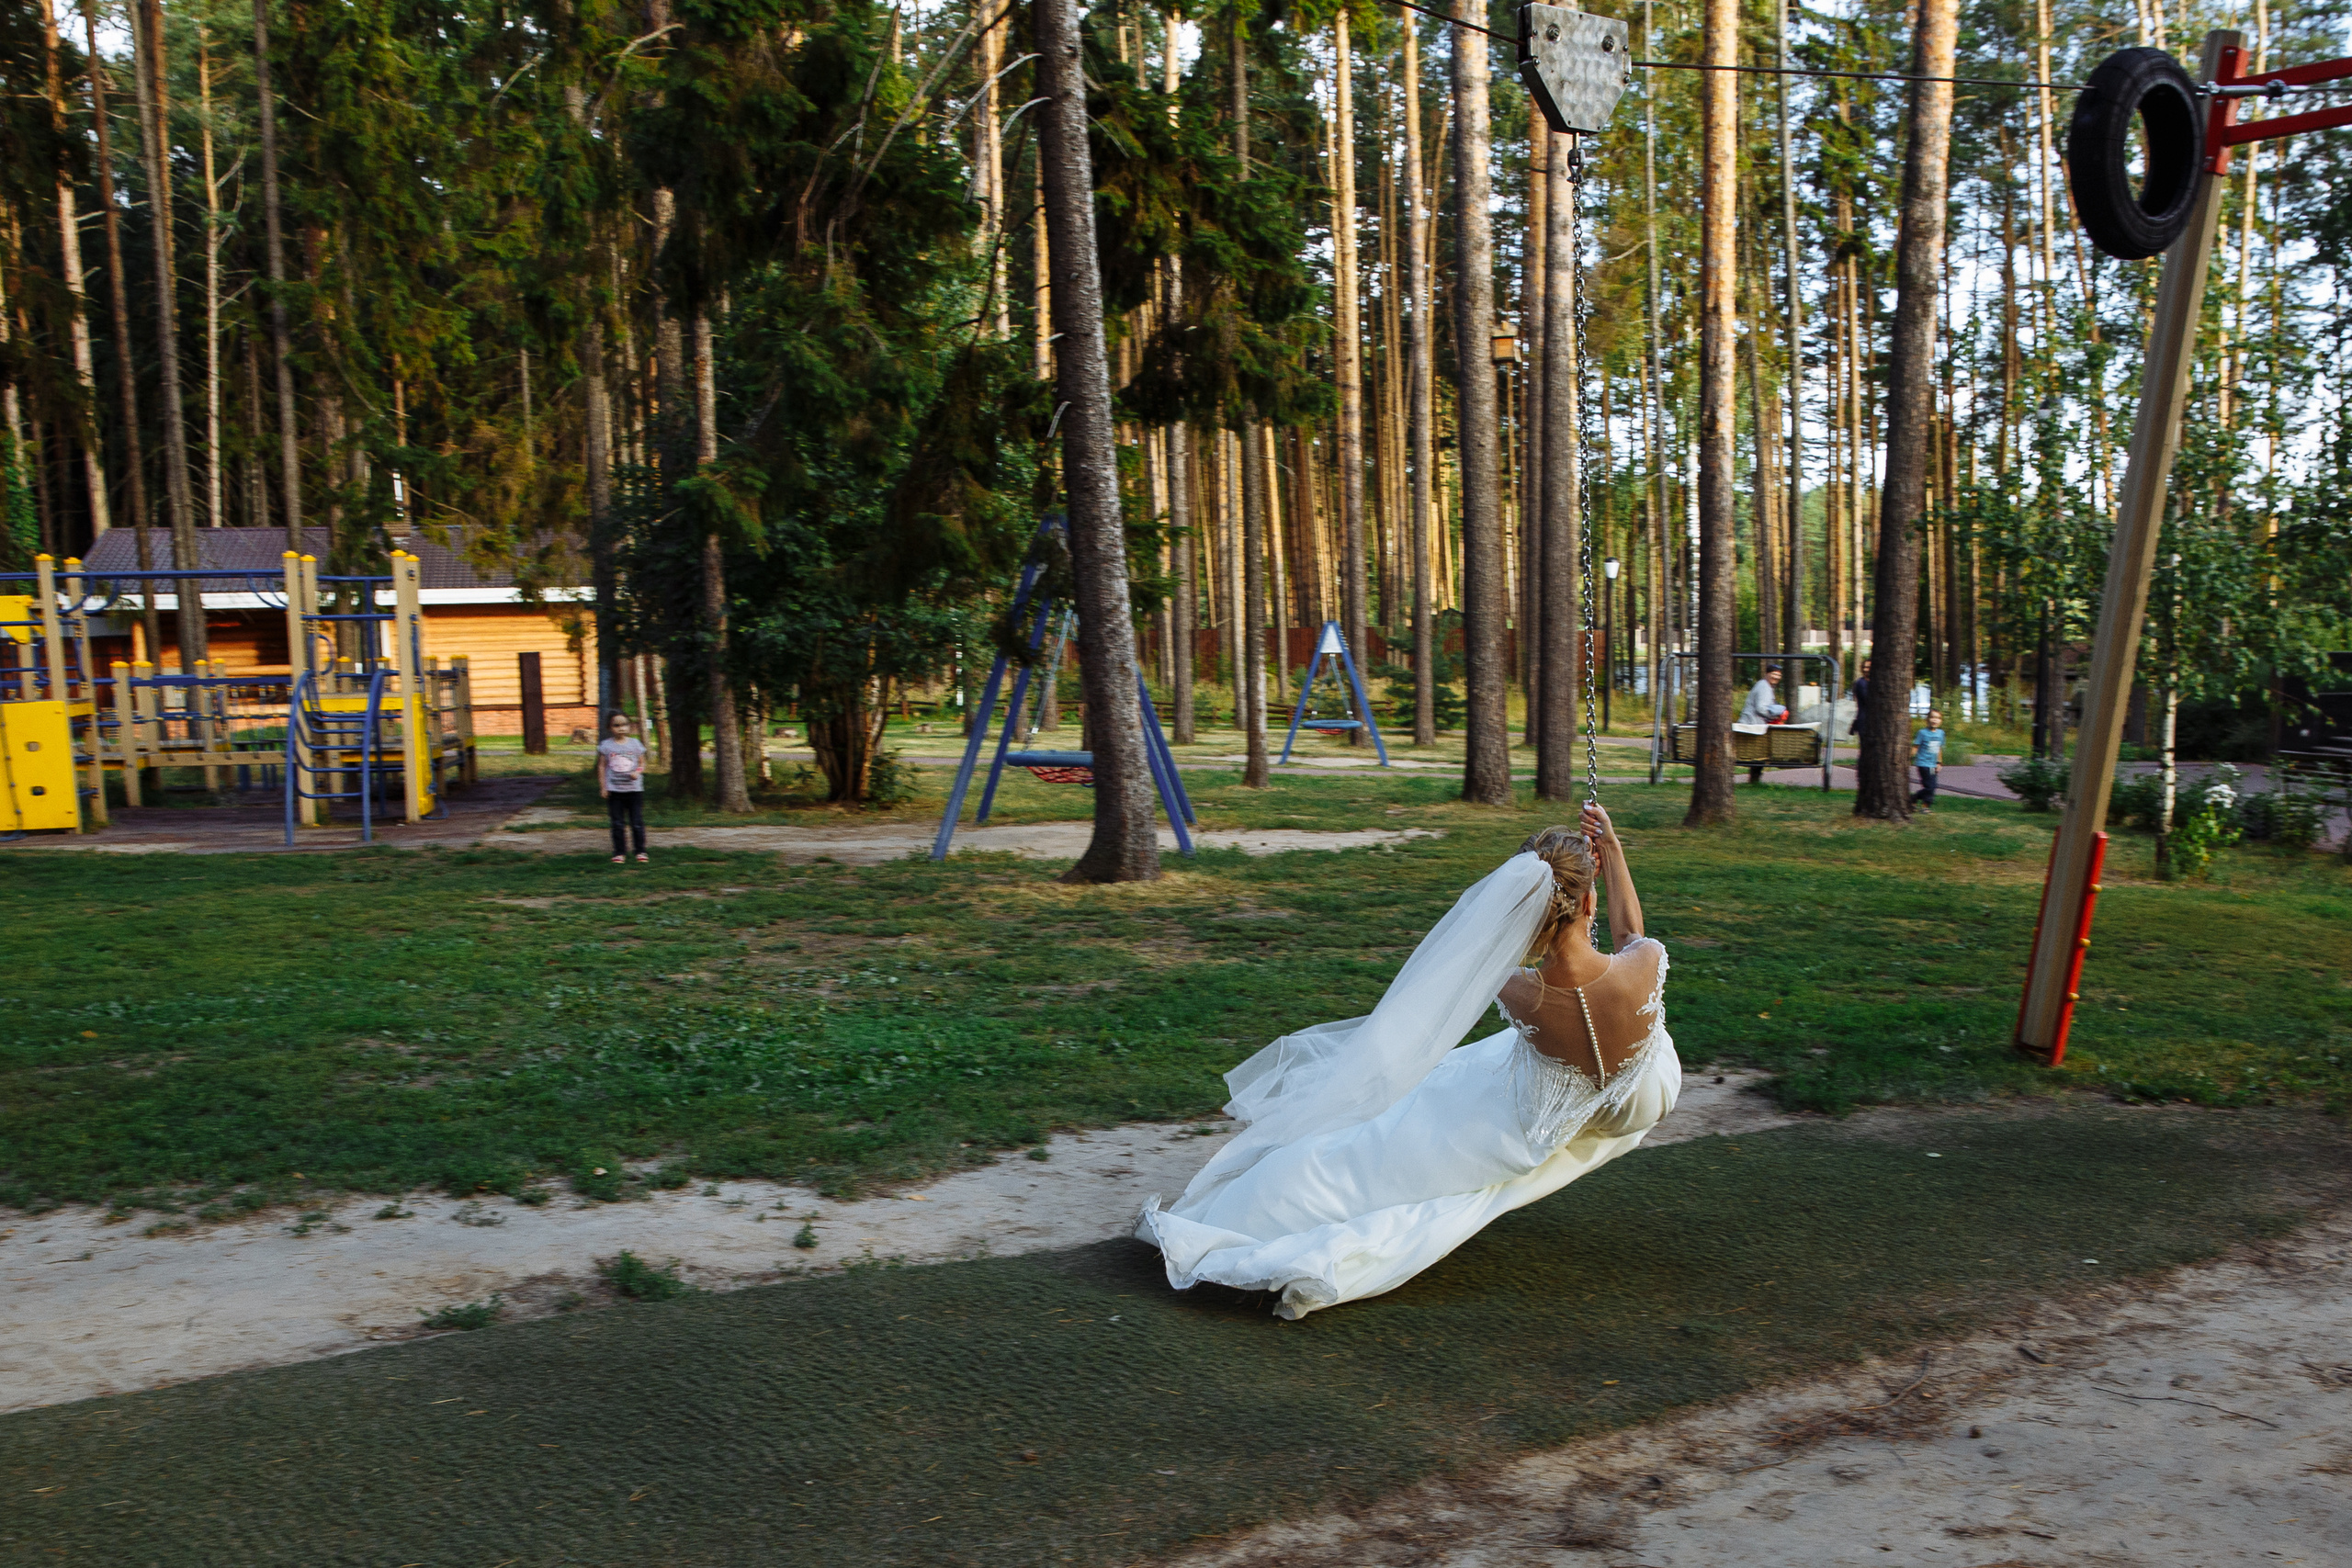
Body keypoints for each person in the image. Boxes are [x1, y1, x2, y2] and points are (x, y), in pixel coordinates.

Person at [1137, 803, 1679, 1319]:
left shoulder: (1519, 993)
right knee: (1454, 1085)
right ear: (1587, 904)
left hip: (1532, 1124)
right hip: (1645, 1092)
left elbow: (1480, 972)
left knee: (1391, 1132)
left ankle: (1264, 1207)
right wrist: (1612, 846)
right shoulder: (1645, 962)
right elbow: (1630, 931)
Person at [599, 713, 650, 863]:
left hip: (634, 791)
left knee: (637, 822)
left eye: (624, 724)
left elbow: (642, 763)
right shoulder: (606, 746)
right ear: (609, 727)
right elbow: (602, 767)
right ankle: (619, 852)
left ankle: (640, 851)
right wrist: (603, 787)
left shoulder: (635, 744)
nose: (621, 728)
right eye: (616, 725)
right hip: (615, 791)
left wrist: (637, 772)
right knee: (617, 823)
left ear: (629, 726)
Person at [1739, 665, 1788, 785]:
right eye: (1773, 674)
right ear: (1767, 673)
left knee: (1757, 754)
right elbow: (1761, 708)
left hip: (1755, 724)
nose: (1776, 677)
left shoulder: (1765, 686)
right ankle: (1754, 780)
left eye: (1778, 675)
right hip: (1753, 724)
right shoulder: (1764, 687)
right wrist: (1776, 715)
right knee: (1758, 754)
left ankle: (1754, 780)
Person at [1911, 708, 1946, 809]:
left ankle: (1919, 802)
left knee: (1932, 787)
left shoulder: (1941, 733)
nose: (1935, 720)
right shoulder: (1922, 733)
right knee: (1930, 786)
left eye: (1938, 718)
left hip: (1933, 764)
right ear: (1928, 719)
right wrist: (1909, 758)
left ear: (1941, 721)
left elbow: (1939, 748)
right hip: (1923, 763)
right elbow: (1915, 747)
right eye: (1932, 717)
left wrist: (1939, 762)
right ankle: (1920, 802)